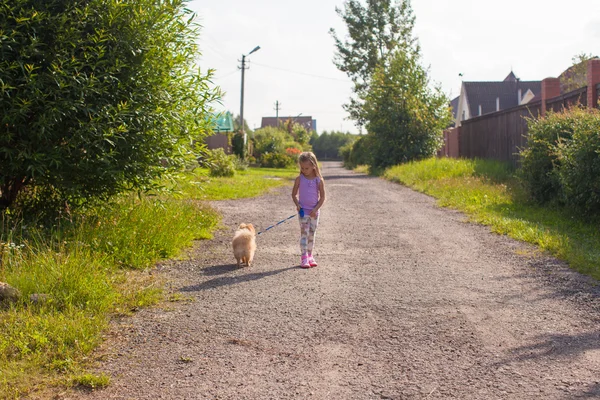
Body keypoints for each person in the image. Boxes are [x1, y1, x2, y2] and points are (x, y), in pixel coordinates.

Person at [291, 152, 326, 268]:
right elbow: (294, 195)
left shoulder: (319, 180)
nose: (304, 170)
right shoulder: (299, 179)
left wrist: (315, 209)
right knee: (304, 234)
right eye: (302, 168)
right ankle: (304, 257)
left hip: (314, 213)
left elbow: (322, 198)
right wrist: (297, 204)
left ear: (313, 166)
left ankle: (310, 255)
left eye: (307, 168)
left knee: (312, 234)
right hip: (303, 212)